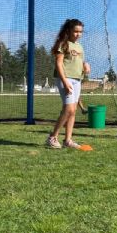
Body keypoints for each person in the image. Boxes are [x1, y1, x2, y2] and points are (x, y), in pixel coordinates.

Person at [45, 19, 93, 151]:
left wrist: (86, 65)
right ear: (69, 31)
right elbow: (59, 64)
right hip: (65, 79)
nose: (78, 34)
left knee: (73, 110)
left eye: (80, 32)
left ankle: (68, 140)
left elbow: (80, 61)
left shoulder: (79, 47)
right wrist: (65, 81)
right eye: (76, 31)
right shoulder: (63, 44)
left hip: (77, 79)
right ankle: (52, 137)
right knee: (69, 109)